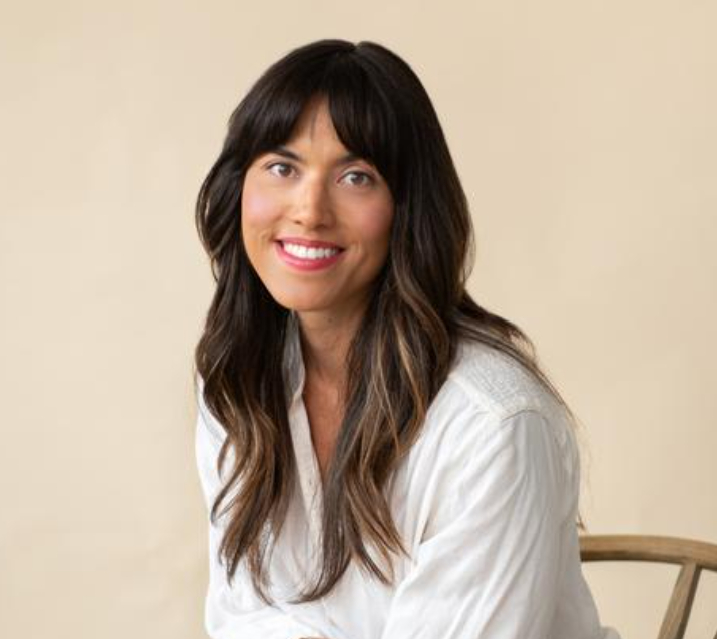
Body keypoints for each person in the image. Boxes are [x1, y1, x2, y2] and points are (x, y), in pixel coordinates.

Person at [192, 38, 621, 639]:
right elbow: (242, 616)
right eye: (282, 168)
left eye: (356, 177)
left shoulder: (492, 428)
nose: (310, 210)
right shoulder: (238, 377)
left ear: (408, 209)